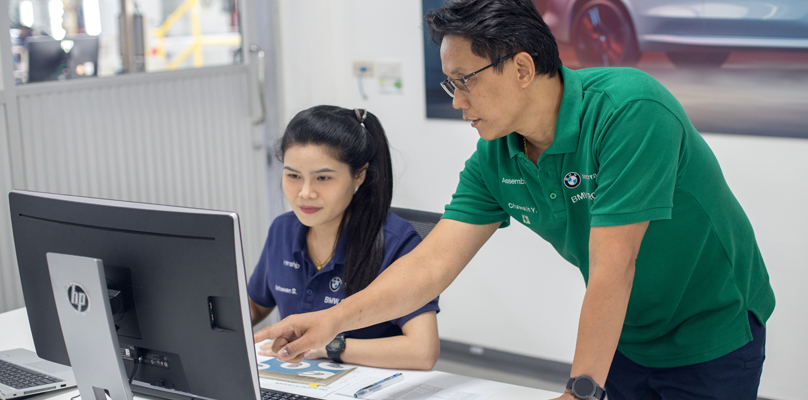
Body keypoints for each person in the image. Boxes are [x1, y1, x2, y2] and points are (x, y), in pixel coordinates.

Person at [255, 1, 775, 399]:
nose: (455, 100)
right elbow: (431, 265)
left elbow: (614, 267)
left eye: (464, 82)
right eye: (448, 82)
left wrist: (581, 389)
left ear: (522, 68)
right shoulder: (495, 158)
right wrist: (333, 320)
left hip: (712, 328)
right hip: (625, 334)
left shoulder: (629, 111)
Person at [248, 105, 440, 370]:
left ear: (359, 174)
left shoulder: (397, 241)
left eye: (323, 177)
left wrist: (327, 347)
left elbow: (422, 351)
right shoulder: (283, 229)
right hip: (297, 379)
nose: (305, 192)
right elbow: (255, 306)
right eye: (293, 175)